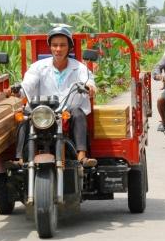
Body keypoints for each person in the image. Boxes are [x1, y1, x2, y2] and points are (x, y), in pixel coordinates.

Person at [9, 26, 98, 167]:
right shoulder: (38, 66)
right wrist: (19, 90)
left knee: (79, 113)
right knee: (25, 116)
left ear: (69, 48)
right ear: (50, 47)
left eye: (62, 45)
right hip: (42, 111)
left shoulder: (80, 67)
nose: (58, 49)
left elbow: (89, 81)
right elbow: (28, 84)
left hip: (67, 111)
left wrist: (89, 87)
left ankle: (82, 156)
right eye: (55, 45)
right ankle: (19, 158)